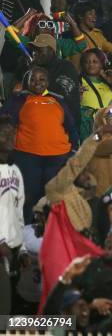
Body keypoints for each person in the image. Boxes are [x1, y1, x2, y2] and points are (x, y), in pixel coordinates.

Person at [0, 66, 77, 223]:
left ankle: (51, 233)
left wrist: (74, 150)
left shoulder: (58, 100)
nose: (37, 82)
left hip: (58, 157)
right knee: (28, 196)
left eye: (42, 79)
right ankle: (25, 231)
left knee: (54, 197)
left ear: (48, 82)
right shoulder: (18, 100)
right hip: (27, 156)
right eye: (33, 79)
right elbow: (5, 120)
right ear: (26, 81)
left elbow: (71, 127)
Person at [0, 116, 24, 315]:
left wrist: (22, 248)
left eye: (12, 133)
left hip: (10, 253)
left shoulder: (15, 171)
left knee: (6, 313)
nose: (9, 137)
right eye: (3, 133)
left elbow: (17, 213)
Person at [71, 1, 112, 72]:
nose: (95, 17)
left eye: (95, 14)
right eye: (90, 14)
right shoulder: (72, 36)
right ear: (80, 16)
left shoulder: (97, 34)